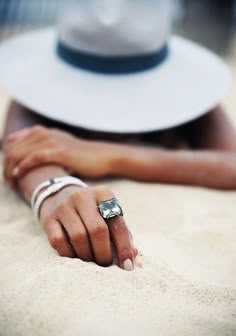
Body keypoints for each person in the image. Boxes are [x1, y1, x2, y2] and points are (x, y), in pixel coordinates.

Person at [1, 0, 236, 271]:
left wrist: (107, 155)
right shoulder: (33, 94)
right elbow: (24, 147)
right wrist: (57, 189)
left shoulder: (195, 98)